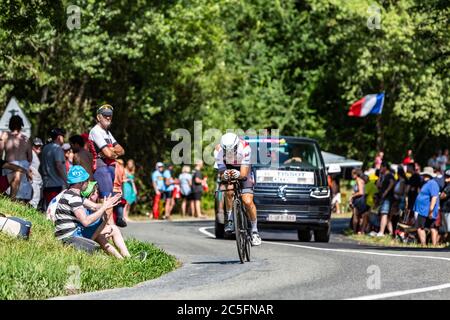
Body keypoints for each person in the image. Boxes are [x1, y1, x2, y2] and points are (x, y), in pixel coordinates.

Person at [53, 166, 123, 255]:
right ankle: (123, 258)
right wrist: (103, 208)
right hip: (70, 238)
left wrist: (108, 203)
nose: (88, 183)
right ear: (81, 182)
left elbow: (94, 207)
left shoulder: (70, 194)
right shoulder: (73, 198)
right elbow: (86, 221)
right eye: (87, 180)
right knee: (103, 222)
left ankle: (123, 258)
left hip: (68, 236)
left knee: (106, 225)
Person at [214, 133, 261, 246]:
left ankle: (254, 231)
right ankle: (230, 219)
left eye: (232, 150)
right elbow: (221, 173)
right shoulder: (218, 150)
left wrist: (238, 174)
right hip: (228, 167)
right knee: (229, 190)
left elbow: (244, 174)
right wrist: (224, 174)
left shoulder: (245, 148)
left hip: (244, 168)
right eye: (227, 151)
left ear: (236, 145)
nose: (229, 153)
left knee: (247, 201)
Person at [89, 104, 125, 224]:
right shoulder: (95, 131)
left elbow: (122, 150)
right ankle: (107, 228)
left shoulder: (107, 133)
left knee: (110, 200)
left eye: (110, 115)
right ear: (99, 117)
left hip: (110, 168)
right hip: (102, 168)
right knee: (107, 201)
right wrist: (113, 152)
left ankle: (107, 228)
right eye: (105, 116)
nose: (108, 118)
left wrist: (111, 151)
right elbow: (108, 154)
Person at [80, 180, 131, 259]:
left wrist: (107, 214)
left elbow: (98, 228)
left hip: (90, 234)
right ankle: (120, 259)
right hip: (84, 239)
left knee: (113, 229)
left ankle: (127, 257)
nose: (98, 194)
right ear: (90, 196)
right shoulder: (86, 209)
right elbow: (94, 230)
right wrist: (106, 216)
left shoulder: (93, 207)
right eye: (95, 193)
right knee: (101, 236)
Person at [0, 115, 33, 201]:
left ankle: (11, 203)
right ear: (21, 126)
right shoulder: (26, 139)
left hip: (9, 165)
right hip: (23, 165)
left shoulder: (5, 135)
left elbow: (0, 152)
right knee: (22, 194)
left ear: (10, 125)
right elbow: (30, 158)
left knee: (8, 193)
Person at [413, 167, 440, 246]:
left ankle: (426, 245)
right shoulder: (426, 183)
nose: (424, 176)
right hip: (423, 210)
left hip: (426, 210)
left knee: (421, 227)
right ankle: (425, 245)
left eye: (426, 175)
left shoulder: (433, 183)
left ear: (430, 175)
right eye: (424, 175)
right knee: (429, 227)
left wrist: (431, 210)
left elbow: (434, 197)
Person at [41, 128, 67, 209]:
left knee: (48, 209)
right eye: (63, 136)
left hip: (46, 184)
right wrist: (66, 180)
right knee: (54, 210)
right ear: (59, 137)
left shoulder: (45, 148)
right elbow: (58, 166)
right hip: (55, 185)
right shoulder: (57, 148)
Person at [376, 162, 395, 237]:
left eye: (381, 167)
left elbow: (392, 182)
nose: (380, 169)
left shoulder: (389, 175)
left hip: (388, 198)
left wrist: (386, 191)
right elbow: (378, 186)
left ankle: (381, 232)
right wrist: (379, 177)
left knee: (384, 213)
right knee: (385, 215)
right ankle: (391, 232)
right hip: (383, 197)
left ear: (385, 167)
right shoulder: (383, 176)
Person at [350, 169, 370, 234]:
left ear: (356, 174)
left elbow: (361, 192)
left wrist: (353, 196)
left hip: (360, 200)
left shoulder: (359, 181)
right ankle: (357, 230)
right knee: (357, 216)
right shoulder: (357, 181)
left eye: (353, 173)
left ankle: (359, 230)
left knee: (359, 215)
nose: (351, 175)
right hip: (358, 200)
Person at [29, 138, 43, 209]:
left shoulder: (37, 155)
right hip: (33, 182)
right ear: (32, 146)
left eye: (40, 145)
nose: (39, 147)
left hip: (37, 182)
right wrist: (29, 174)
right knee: (34, 201)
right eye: (36, 146)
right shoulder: (31, 153)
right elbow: (27, 165)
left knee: (36, 201)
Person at [113, 159, 127, 227]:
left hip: (111, 189)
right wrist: (123, 193)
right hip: (118, 190)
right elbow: (123, 182)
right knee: (119, 206)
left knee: (112, 210)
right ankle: (120, 218)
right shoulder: (122, 168)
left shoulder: (112, 166)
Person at [439, 170, 450, 241]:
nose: (446, 177)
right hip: (446, 209)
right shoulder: (446, 185)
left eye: (448, 176)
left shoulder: (449, 186)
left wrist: (437, 196)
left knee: (448, 229)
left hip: (447, 210)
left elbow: (443, 196)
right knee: (446, 229)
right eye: (446, 175)